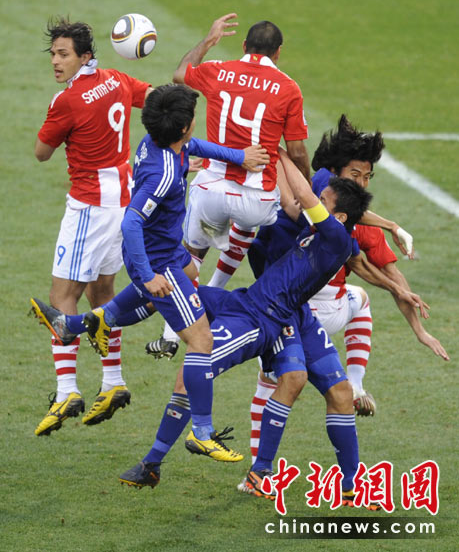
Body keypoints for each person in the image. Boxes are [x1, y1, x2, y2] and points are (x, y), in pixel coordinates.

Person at [33, 154, 374, 503]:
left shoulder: (335, 235)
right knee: (170, 283)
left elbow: (303, 194)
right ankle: (76, 324)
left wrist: (278, 150)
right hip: (247, 301)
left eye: (324, 200)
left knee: (197, 371)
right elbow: (300, 196)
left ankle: (155, 462)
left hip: (263, 318)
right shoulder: (323, 221)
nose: (314, 202)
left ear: (339, 216)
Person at [32, 83, 269, 462]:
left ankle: (77, 324)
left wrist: (239, 156)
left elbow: (195, 147)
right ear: (183, 127)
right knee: (201, 341)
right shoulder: (163, 174)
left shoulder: (159, 143)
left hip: (170, 252)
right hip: (158, 261)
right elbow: (131, 222)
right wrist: (146, 276)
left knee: (190, 270)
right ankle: (202, 432)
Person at [246, 117, 449, 463]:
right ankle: (355, 383)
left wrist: (276, 152)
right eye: (356, 175)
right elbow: (381, 272)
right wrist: (418, 327)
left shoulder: (324, 203)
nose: (362, 183)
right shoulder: (337, 209)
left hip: (284, 312)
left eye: (367, 177)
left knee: (274, 381)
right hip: (316, 310)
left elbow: (288, 211)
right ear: (335, 173)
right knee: (358, 310)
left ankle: (257, 468)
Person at [150, 14, 310, 357]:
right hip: (256, 202)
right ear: (278, 52)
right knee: (254, 218)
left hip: (210, 192)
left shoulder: (218, 70)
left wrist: (208, 41)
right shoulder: (288, 87)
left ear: (244, 46)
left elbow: (180, 74)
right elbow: (297, 151)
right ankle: (217, 287)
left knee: (192, 255)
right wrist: (306, 186)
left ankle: (170, 333)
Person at [32, 17, 153, 436]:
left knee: (62, 296)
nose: (55, 61)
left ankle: (67, 390)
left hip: (89, 207)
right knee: (102, 293)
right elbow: (154, 99)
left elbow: (41, 152)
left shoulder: (66, 100)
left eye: (63, 54)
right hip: (123, 203)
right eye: (53, 54)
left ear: (85, 56)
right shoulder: (117, 79)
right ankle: (113, 381)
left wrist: (63, 117)